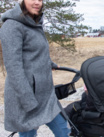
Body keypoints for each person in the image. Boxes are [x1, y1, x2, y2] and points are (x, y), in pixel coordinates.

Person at [0, 0, 70, 136]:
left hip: (45, 94)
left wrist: (51, 64)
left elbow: (35, 52)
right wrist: (28, 101)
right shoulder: (12, 26)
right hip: (26, 95)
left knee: (63, 130)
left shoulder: (35, 22)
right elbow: (13, 67)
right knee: (29, 135)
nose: (37, 2)